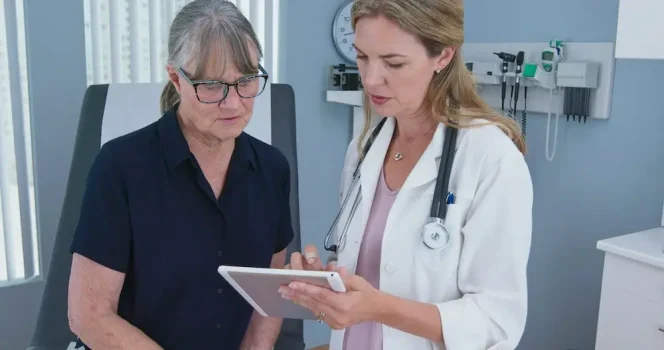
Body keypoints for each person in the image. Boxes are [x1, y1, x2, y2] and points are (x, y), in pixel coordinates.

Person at [280, 0, 533, 349]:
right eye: (362, 56)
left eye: (393, 63)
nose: (370, 78)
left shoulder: (490, 159)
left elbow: (496, 321)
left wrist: (379, 308)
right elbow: (362, 270)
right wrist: (326, 287)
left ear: (443, 56)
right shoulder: (364, 148)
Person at [66, 1, 293, 349]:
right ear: (176, 78)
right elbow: (89, 314)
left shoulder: (272, 169)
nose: (233, 104)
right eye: (213, 86)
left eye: (246, 81)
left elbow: (268, 297)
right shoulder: (120, 167)